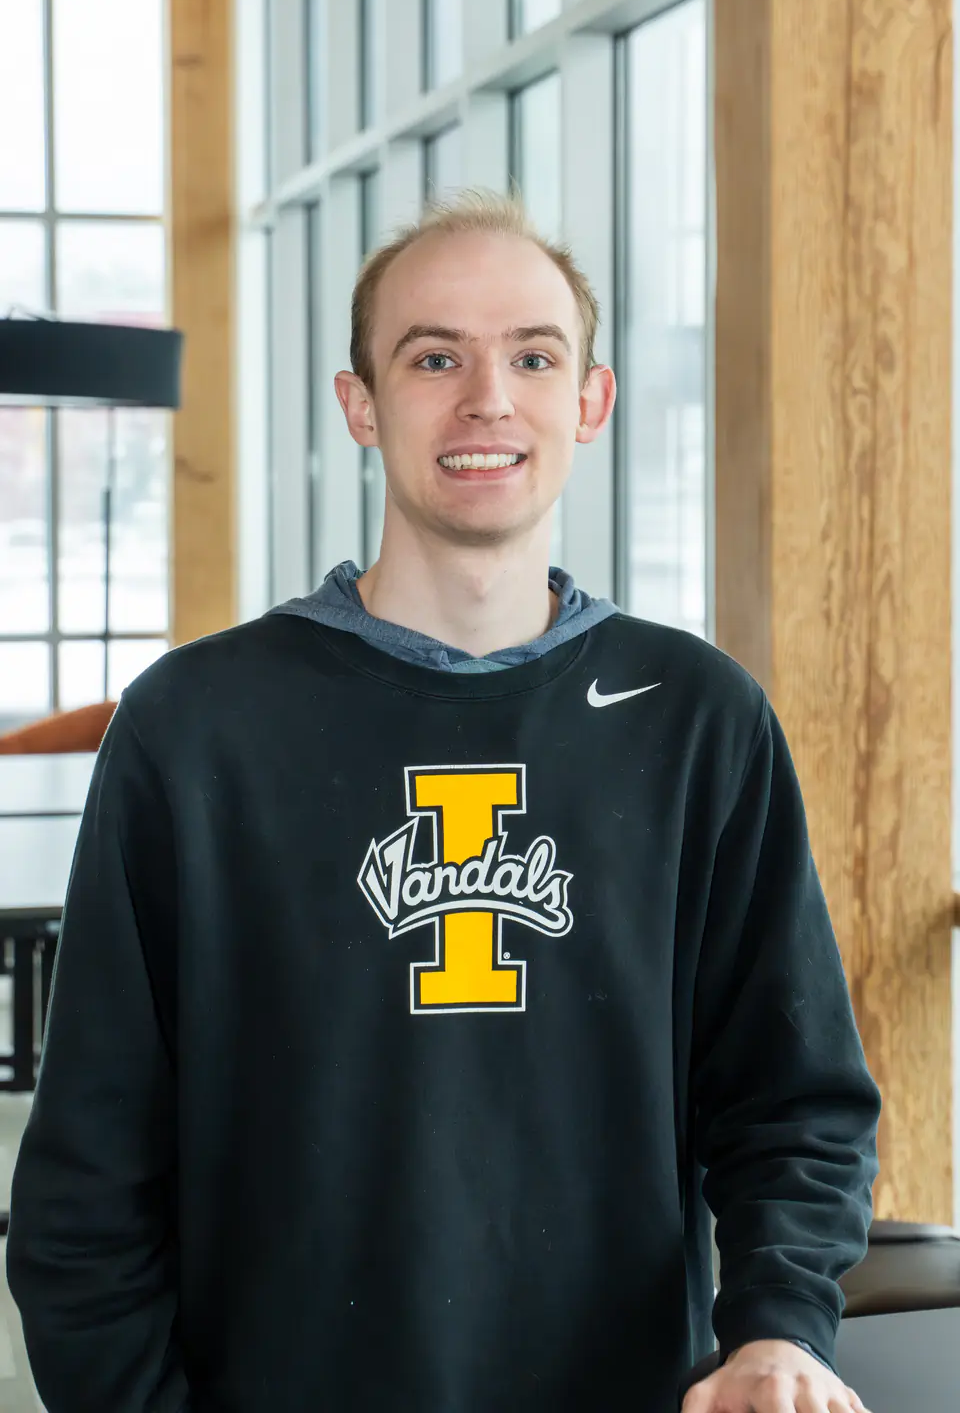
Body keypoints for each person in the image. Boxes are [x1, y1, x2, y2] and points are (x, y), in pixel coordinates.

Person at [7, 189, 881, 1413]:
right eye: (434, 357)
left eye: (533, 355)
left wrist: (781, 1329)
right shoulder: (195, 729)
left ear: (592, 401)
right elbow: (86, 1182)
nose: (488, 397)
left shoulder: (701, 721)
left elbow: (793, 1104)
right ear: (360, 405)